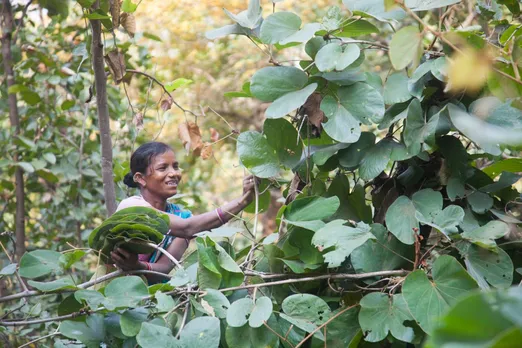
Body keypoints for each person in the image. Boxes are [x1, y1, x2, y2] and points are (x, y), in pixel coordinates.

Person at [110, 141, 256, 281]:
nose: (174, 173)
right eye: (163, 168)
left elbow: (164, 268)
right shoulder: (131, 207)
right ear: (140, 178)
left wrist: (138, 266)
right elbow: (187, 227)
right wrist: (242, 202)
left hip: (153, 299)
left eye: (175, 167)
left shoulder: (182, 216)